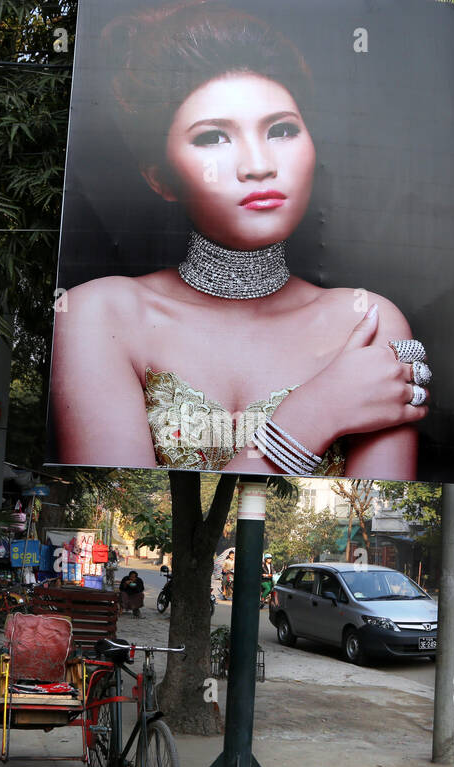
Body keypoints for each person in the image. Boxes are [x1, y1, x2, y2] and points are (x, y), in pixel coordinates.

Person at [50, 1, 429, 479]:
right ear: (160, 178)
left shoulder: (369, 319)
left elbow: (373, 517)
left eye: (283, 129)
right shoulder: (97, 313)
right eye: (213, 138)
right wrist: (314, 414)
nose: (258, 164)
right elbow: (116, 500)